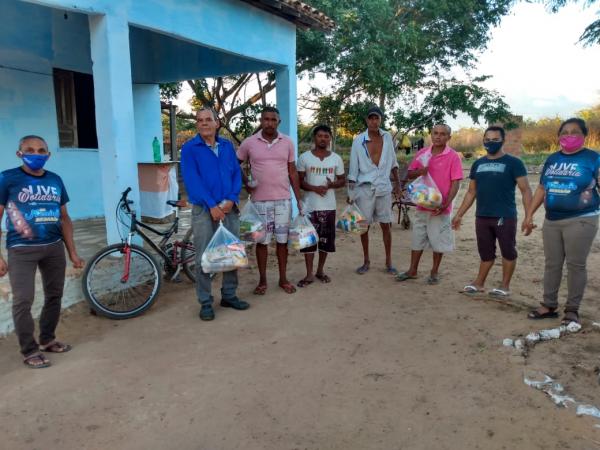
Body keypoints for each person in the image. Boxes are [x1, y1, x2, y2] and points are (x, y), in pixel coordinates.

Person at [0, 135, 84, 368]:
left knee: (54, 295)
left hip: (54, 247)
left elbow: (65, 218)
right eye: (29, 150)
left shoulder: (55, 180)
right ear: (19, 153)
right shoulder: (7, 178)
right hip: (21, 250)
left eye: (41, 150)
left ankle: (47, 339)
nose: (35, 154)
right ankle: (29, 350)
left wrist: (73, 253)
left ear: (48, 154)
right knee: (23, 300)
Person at [523, 118, 599, 325]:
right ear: (558, 136)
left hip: (582, 220)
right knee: (552, 264)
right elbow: (541, 189)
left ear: (584, 135)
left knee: (575, 265)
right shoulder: (552, 159)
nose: (569, 136)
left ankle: (572, 310)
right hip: (552, 220)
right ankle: (549, 305)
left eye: (574, 132)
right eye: (564, 132)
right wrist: (529, 215)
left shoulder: (593, 158)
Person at [181, 108, 249, 321]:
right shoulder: (190, 148)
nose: (203, 123)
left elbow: (236, 174)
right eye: (199, 120)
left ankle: (229, 295)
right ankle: (205, 302)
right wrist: (212, 205)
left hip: (229, 207)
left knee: (231, 252)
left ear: (217, 123)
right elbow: (192, 180)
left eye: (208, 119)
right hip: (204, 209)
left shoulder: (227, 146)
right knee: (204, 256)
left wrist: (231, 199)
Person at [451, 126, 532, 297]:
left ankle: (504, 286)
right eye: (487, 139)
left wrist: (529, 216)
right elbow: (471, 191)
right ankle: (479, 283)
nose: (490, 143)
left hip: (504, 215)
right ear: (483, 140)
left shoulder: (514, 163)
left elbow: (526, 190)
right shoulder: (478, 164)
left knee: (508, 250)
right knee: (485, 251)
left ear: (503, 140)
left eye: (495, 140)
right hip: (482, 216)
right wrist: (459, 214)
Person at [237, 106, 302, 295]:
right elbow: (235, 163)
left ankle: (283, 279)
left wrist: (298, 199)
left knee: (282, 241)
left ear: (278, 122)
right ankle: (262, 281)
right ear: (261, 120)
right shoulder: (249, 143)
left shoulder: (288, 142)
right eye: (266, 119)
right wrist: (246, 183)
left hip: (283, 201)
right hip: (259, 202)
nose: (269, 123)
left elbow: (292, 171)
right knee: (262, 242)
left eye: (273, 120)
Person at [397, 124, 463, 284]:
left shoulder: (453, 157)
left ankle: (434, 272)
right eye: (435, 133)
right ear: (431, 135)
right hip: (422, 203)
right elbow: (411, 173)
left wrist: (445, 203)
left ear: (449, 137)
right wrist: (421, 171)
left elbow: (456, 183)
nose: (438, 136)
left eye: (442, 134)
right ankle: (413, 270)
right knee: (417, 237)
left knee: (438, 241)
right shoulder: (422, 154)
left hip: (440, 207)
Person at [348, 106, 401, 275]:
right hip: (364, 188)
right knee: (364, 226)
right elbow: (353, 168)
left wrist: (398, 186)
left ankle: (389, 261)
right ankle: (366, 261)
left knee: (386, 225)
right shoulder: (358, 141)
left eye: (376, 118)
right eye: (370, 118)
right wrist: (351, 193)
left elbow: (393, 163)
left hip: (384, 187)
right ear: (366, 120)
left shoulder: (387, 138)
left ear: (381, 119)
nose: (373, 121)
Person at [296, 125, 345, 287]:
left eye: (326, 136)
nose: (323, 139)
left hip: (329, 206)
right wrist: (315, 188)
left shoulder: (336, 158)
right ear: (314, 138)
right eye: (320, 136)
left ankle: (320, 271)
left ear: (330, 138)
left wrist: (331, 185)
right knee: (308, 241)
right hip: (309, 208)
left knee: (325, 241)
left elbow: (342, 180)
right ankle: (309, 274)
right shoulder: (304, 158)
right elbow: (299, 181)